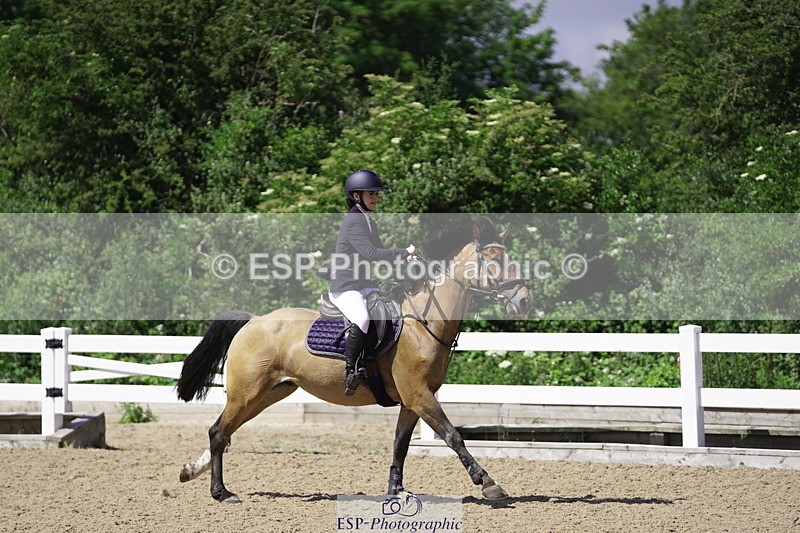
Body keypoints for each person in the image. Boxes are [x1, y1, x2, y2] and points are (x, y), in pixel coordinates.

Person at [329, 169, 415, 395]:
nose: (376, 198)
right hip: (346, 286)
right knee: (362, 318)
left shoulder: (368, 222)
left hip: (364, 284)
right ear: (357, 196)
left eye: (376, 194)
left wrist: (408, 261)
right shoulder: (353, 221)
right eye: (371, 194)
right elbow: (370, 252)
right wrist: (403, 251)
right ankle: (351, 371)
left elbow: (382, 252)